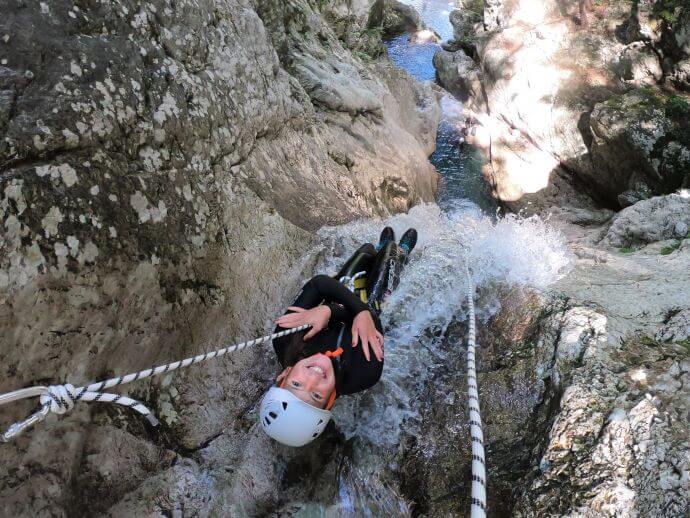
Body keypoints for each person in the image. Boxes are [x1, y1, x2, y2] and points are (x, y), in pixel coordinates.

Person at [259, 227, 418, 446]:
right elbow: (373, 325)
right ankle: (402, 253)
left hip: (339, 293)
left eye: (296, 383)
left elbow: (319, 284)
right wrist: (334, 311)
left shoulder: (285, 338)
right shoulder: (364, 374)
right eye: (316, 395)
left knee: (366, 251)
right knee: (390, 257)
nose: (313, 378)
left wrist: (328, 308)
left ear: (284, 374)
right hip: (369, 307)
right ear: (331, 399)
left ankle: (379, 249)